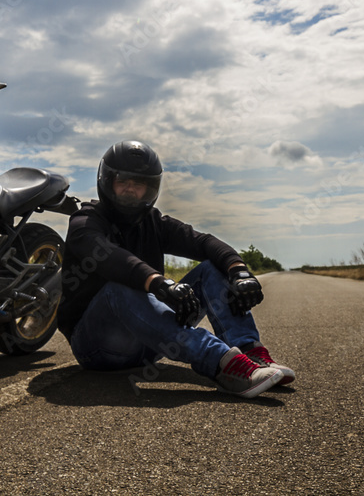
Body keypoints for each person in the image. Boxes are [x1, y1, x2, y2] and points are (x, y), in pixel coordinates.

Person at [58, 140, 295, 398]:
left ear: (151, 188)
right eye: (122, 181)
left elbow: (204, 242)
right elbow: (111, 258)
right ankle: (224, 364)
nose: (130, 189)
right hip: (98, 349)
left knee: (211, 268)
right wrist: (159, 283)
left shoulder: (154, 222)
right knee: (117, 288)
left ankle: (251, 353)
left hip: (150, 344)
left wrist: (238, 271)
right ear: (106, 181)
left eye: (138, 184)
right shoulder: (85, 220)